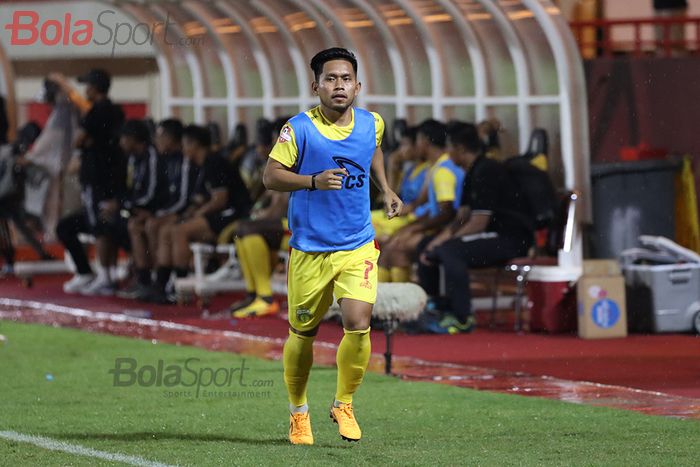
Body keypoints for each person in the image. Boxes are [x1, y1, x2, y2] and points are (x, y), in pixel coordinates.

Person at [263, 47, 402, 445]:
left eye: (345, 79)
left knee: (358, 322)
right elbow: (270, 176)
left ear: (357, 86)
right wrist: (311, 180)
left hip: (357, 244)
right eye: (330, 79)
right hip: (310, 249)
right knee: (302, 334)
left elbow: (372, 149)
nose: (338, 85)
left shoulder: (373, 122)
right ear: (316, 86)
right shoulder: (299, 129)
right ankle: (299, 412)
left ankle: (343, 403)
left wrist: (386, 188)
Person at [418, 122, 534, 334]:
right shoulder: (470, 172)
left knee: (450, 251)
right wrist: (437, 241)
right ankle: (433, 305)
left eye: (449, 147)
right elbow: (461, 219)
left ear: (460, 149)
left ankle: (462, 317)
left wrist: (444, 244)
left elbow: (478, 222)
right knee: (426, 245)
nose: (447, 152)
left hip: (511, 240)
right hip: (490, 236)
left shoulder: (487, 171)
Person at [143, 124, 251, 304]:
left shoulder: (215, 162)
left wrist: (197, 214)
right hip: (219, 215)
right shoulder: (200, 165)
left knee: (180, 231)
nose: (183, 149)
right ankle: (162, 284)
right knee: (167, 230)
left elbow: (220, 200)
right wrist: (192, 211)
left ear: (195, 144)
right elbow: (202, 198)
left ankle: (179, 286)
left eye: (185, 144)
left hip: (233, 214)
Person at [51, 69, 126, 295]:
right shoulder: (116, 111)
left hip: (97, 178)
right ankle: (108, 275)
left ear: (94, 87)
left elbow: (79, 140)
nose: (86, 90)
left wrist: (84, 143)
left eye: (88, 86)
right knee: (104, 225)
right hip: (113, 176)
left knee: (99, 227)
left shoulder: (96, 112)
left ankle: (104, 277)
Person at [377, 119, 464, 283]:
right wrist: (411, 228)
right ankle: (384, 300)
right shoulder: (437, 166)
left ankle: (399, 302)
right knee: (391, 245)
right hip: (437, 225)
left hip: (446, 229)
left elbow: (447, 213)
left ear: (424, 141)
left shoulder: (443, 170)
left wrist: (413, 229)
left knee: (395, 248)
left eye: (417, 140)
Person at [116, 119, 162, 298]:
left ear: (134, 139)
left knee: (141, 226)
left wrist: (130, 206)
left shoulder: (152, 156)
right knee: (113, 225)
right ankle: (141, 276)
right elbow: (131, 188)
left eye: (124, 138)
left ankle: (154, 279)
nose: (121, 143)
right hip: (141, 210)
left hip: (156, 210)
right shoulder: (132, 158)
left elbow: (152, 192)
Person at [225, 190, 289, 318]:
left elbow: (275, 212)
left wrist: (277, 194)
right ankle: (253, 295)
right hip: (285, 226)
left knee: (248, 229)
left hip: (302, 227)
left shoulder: (297, 174)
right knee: (240, 230)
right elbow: (256, 211)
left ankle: (266, 298)